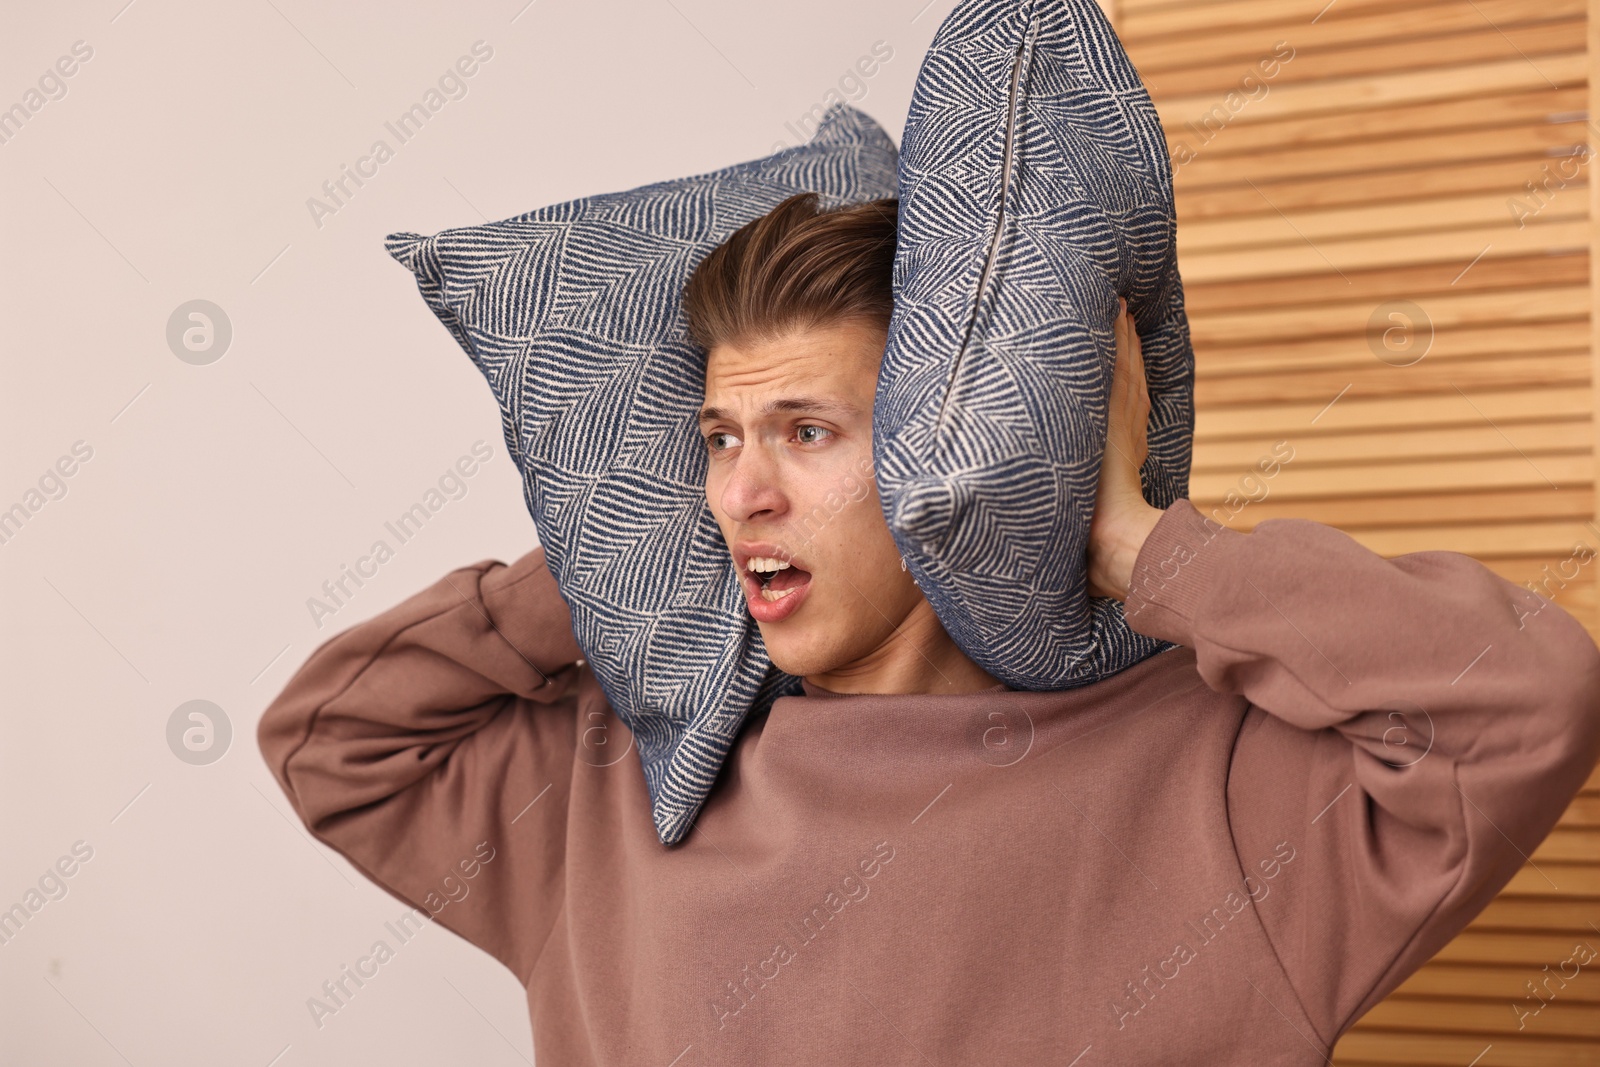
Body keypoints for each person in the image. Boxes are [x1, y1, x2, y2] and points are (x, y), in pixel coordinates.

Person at [258, 193, 1600, 1065]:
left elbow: (1525, 702)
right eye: (718, 439)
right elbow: (333, 740)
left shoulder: (1225, 785)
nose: (743, 490)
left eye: (805, 432)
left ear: (945, 454)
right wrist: (624, 554)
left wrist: (1133, 539)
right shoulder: (617, 786)